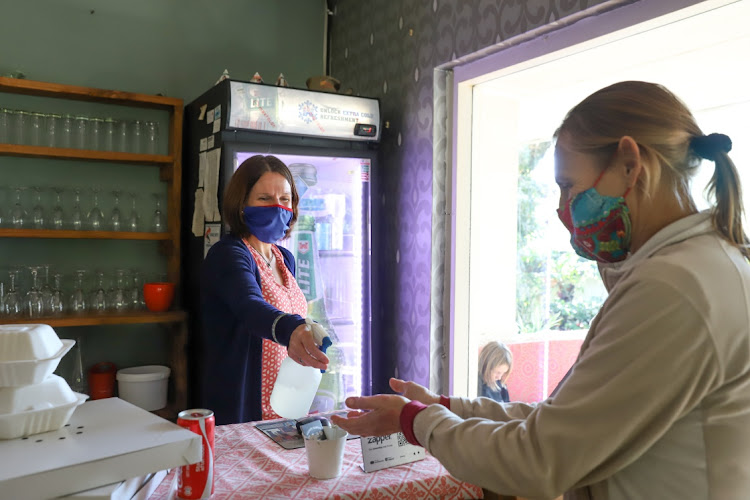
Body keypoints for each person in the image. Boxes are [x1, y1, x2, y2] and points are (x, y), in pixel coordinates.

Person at [332, 81, 750, 499]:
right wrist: (443, 406)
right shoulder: (700, 266)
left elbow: (537, 458)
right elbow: (566, 420)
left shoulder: (673, 288)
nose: (562, 208)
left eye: (568, 185)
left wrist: (417, 422)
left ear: (629, 163)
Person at [200, 155, 328, 425]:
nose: (277, 208)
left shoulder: (284, 259)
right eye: (264, 199)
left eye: (285, 199)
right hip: (245, 410)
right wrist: (292, 327)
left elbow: (286, 313)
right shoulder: (229, 254)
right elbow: (249, 305)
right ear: (242, 204)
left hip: (284, 406)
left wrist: (309, 333)